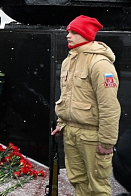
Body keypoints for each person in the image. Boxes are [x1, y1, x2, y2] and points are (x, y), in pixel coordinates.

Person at [51, 15, 120, 196]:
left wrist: (107, 141)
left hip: (92, 135)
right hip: (71, 132)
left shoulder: (100, 64)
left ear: (86, 34)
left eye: (74, 32)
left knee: (97, 187)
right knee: (77, 180)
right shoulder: (69, 61)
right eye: (68, 31)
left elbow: (109, 106)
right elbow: (66, 96)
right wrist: (61, 123)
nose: (68, 35)